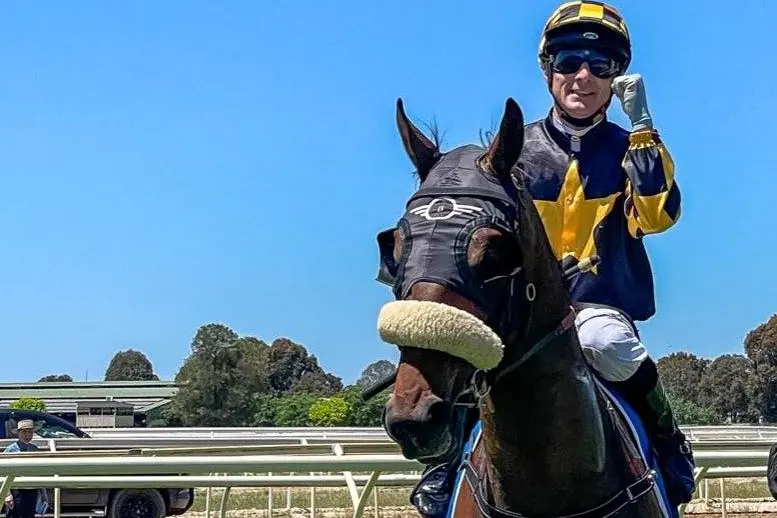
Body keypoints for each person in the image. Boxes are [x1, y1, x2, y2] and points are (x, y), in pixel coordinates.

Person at [409, 2, 695, 516]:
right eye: (568, 61)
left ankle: (668, 443)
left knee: (602, 339)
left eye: (600, 64)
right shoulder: (511, 153)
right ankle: (445, 465)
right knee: (476, 351)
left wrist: (645, 127)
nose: (582, 76)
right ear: (548, 71)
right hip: (520, 309)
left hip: (595, 305)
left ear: (616, 77)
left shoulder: (632, 148)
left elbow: (657, 217)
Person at [3, 420, 49, 518]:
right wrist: (7, 495)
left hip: (32, 490)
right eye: (24, 432)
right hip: (16, 490)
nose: (27, 434)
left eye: (30, 432)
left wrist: (43, 494)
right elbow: (3, 473)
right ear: (18, 433)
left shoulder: (35, 449)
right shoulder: (10, 450)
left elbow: (39, 472)